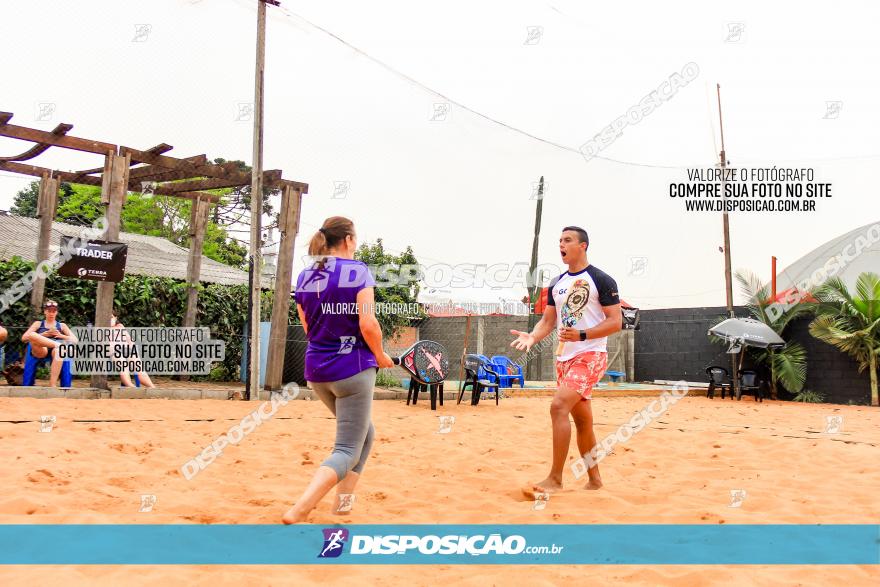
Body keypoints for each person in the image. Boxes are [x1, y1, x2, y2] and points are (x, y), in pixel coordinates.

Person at [282, 216, 393, 524]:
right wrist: (381, 355)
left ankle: (342, 506)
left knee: (365, 436)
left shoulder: (305, 275)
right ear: (347, 240)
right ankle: (301, 508)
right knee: (346, 449)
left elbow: (307, 327)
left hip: (317, 372)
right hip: (353, 370)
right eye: (355, 238)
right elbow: (368, 324)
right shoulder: (358, 271)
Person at [510, 226, 622, 495]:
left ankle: (555, 479)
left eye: (567, 240)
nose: (561, 244)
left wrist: (583, 334)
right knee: (583, 422)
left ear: (582, 246)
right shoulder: (556, 284)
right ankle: (595, 480)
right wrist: (533, 338)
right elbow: (548, 321)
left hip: (591, 355)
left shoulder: (602, 280)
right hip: (564, 359)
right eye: (559, 240)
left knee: (558, 406)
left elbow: (616, 322)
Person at [21, 300, 78, 387]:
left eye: (54, 311)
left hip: (55, 351)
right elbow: (24, 338)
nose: (51, 313)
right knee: (32, 335)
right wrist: (45, 334)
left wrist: (61, 335)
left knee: (59, 352)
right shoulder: (38, 324)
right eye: (49, 311)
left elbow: (75, 340)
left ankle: (52, 384)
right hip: (41, 350)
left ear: (56, 312)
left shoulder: (62, 326)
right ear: (45, 312)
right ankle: (58, 345)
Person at [111, 310, 155, 388]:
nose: (109, 320)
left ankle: (152, 387)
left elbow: (129, 340)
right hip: (114, 351)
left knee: (137, 364)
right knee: (122, 364)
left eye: (111, 317)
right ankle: (131, 386)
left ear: (115, 318)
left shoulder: (120, 326)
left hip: (126, 349)